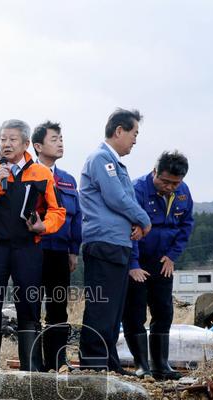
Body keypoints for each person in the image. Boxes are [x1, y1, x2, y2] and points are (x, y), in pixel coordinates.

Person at [0, 120, 65, 371]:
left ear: (25, 144)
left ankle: (30, 366)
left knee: (29, 305)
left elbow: (58, 211)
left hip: (28, 247)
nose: (6, 144)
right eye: (2, 139)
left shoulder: (42, 173)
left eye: (12, 139)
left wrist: (44, 226)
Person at [78, 108, 151, 373]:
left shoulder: (115, 163)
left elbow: (124, 199)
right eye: (134, 134)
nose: (135, 140)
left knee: (114, 310)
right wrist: (144, 220)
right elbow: (116, 197)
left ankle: (109, 362)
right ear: (119, 130)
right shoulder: (101, 158)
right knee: (102, 307)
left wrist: (134, 223)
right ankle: (94, 363)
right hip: (104, 242)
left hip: (118, 243)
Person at [124, 150, 193, 380]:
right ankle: (142, 365)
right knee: (135, 313)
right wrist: (133, 263)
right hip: (138, 262)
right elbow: (129, 228)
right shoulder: (137, 189)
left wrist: (172, 256)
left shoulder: (183, 192)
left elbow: (186, 225)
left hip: (163, 261)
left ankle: (161, 365)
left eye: (175, 183)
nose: (170, 187)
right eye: (165, 182)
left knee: (164, 312)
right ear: (155, 172)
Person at [32, 121, 81, 371]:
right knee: (30, 307)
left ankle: (57, 361)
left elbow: (76, 217)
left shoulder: (68, 180)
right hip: (33, 250)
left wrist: (73, 250)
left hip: (61, 252)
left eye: (61, 139)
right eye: (54, 139)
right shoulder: (27, 175)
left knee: (58, 309)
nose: (60, 143)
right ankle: (33, 363)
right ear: (38, 146)